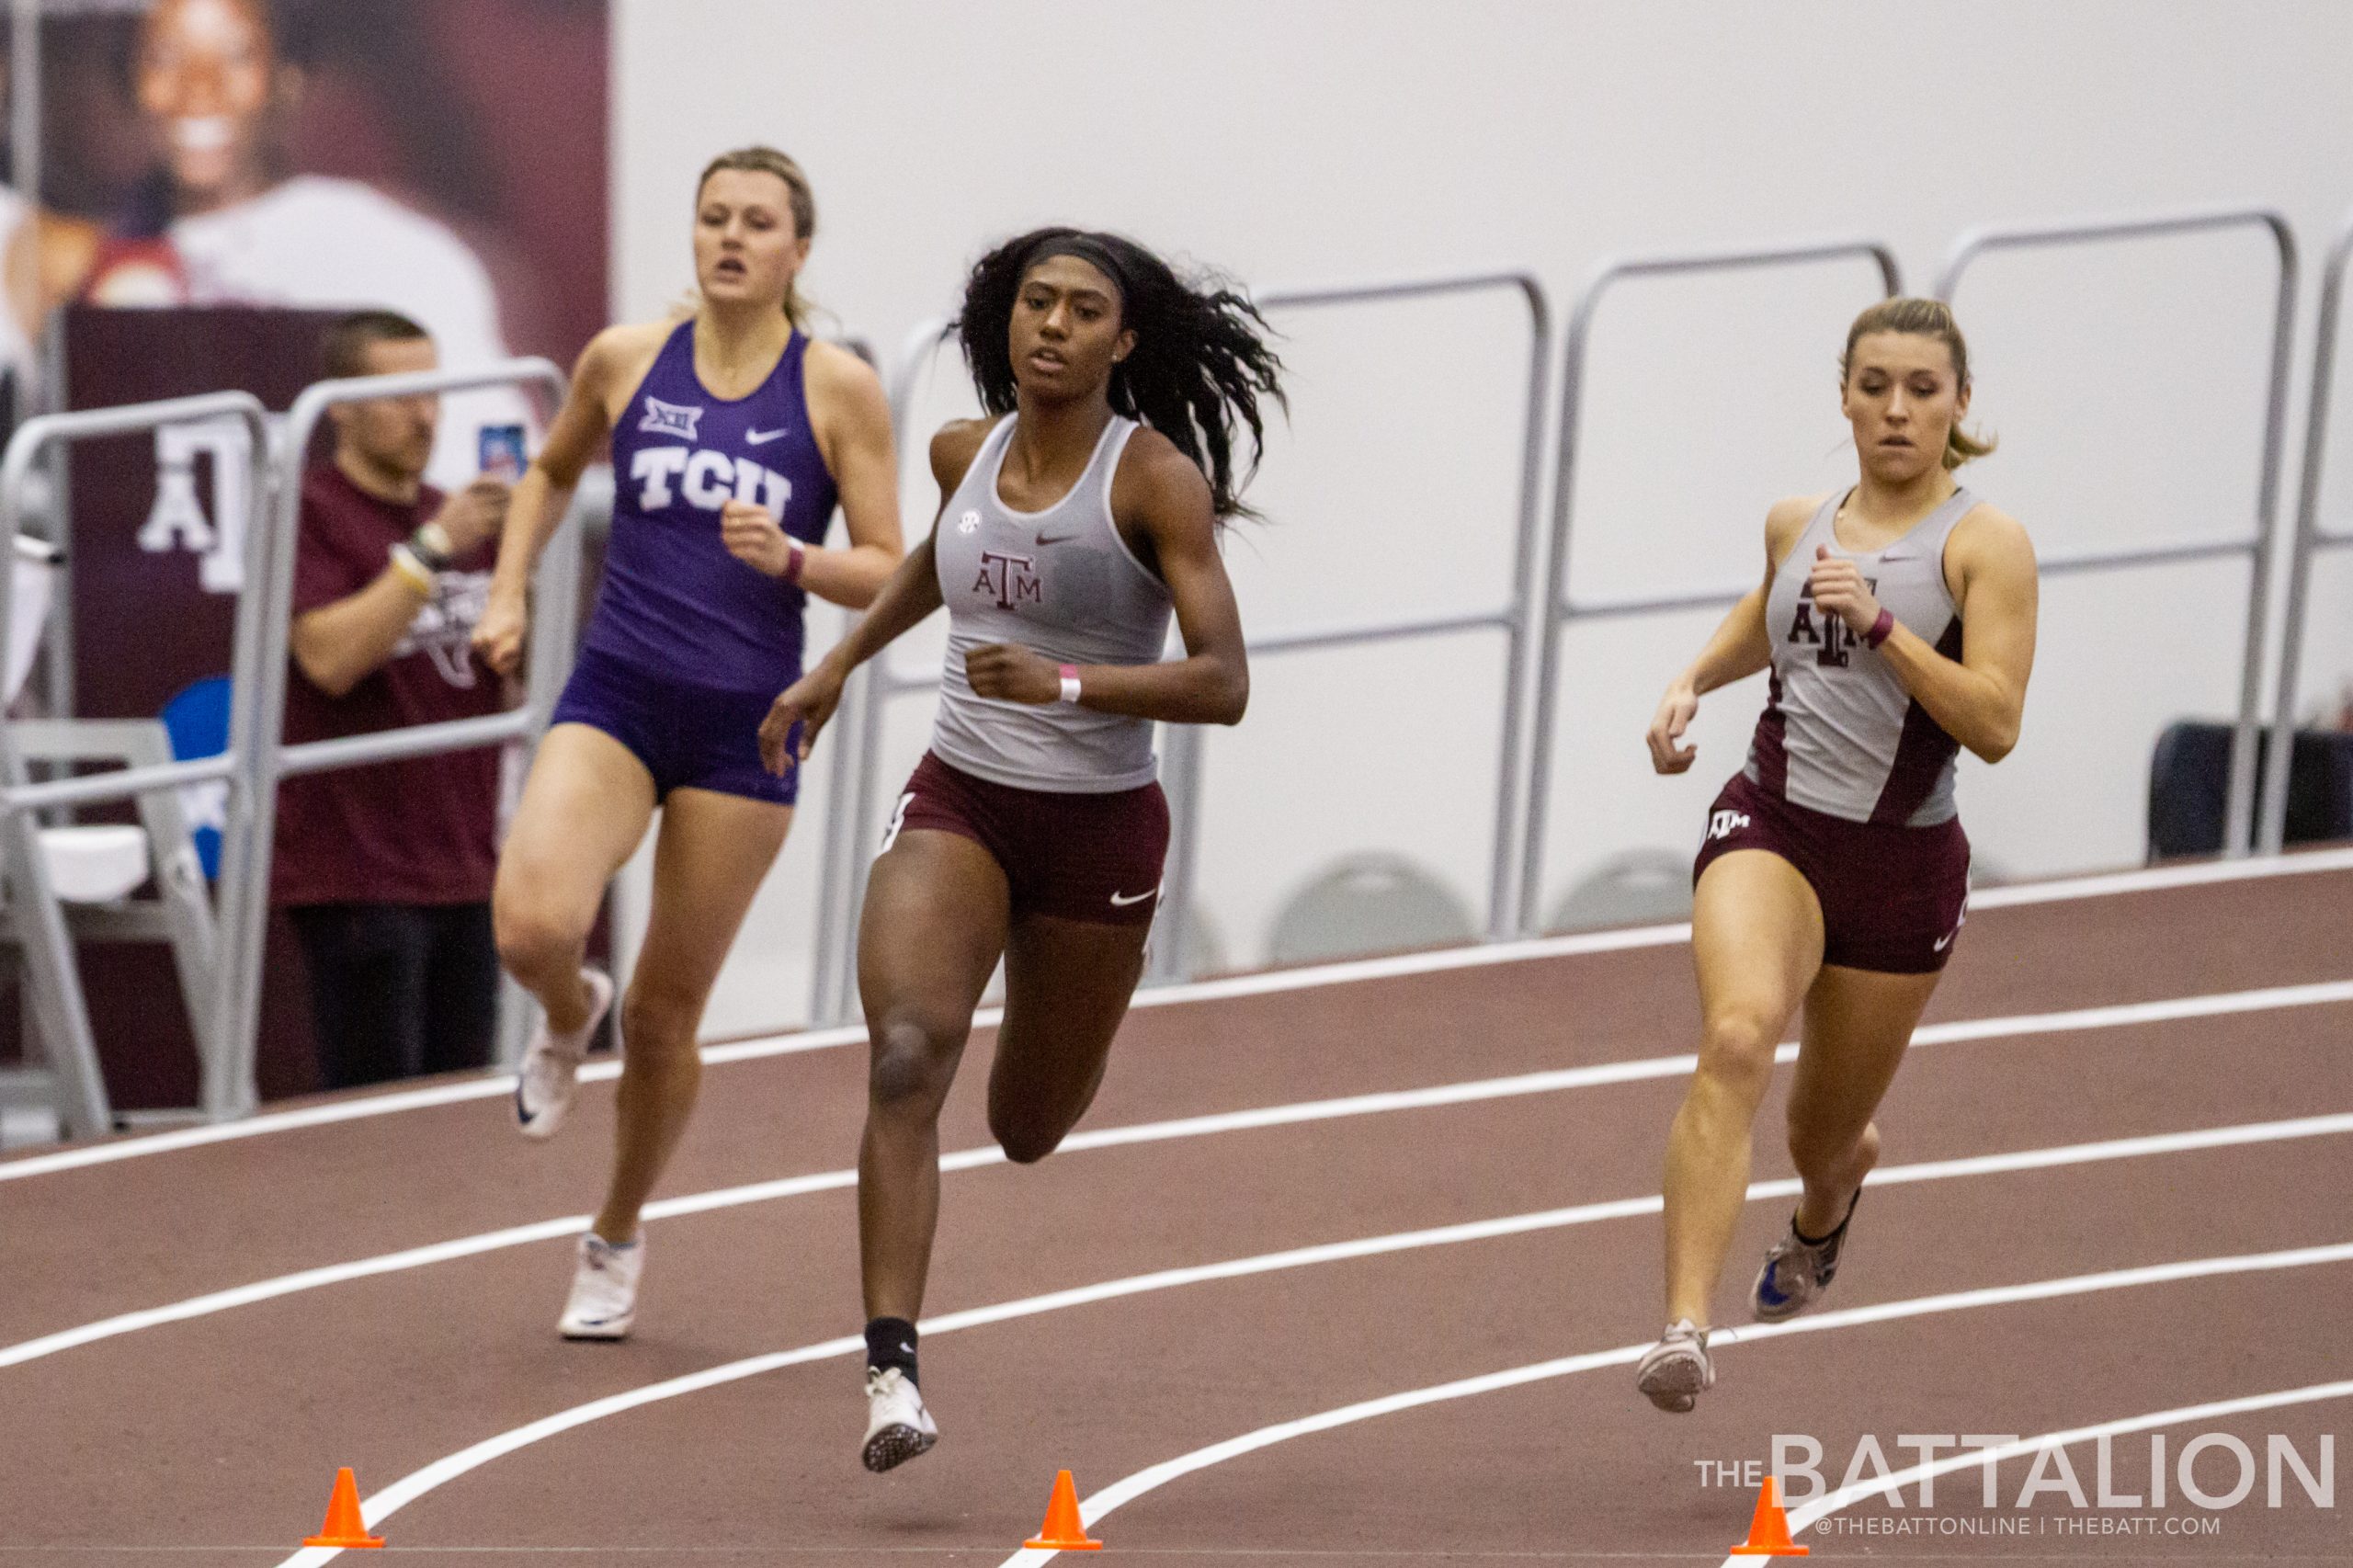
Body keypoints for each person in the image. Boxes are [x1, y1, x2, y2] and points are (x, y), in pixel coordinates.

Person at [760, 227, 1280, 1471]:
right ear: (1005, 320)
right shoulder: (965, 451)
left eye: (1083, 309)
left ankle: (1084, 1003)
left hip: (1099, 828)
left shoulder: (1153, 481)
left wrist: (1064, 681)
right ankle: (892, 1366)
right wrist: (835, 665)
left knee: (1028, 1125)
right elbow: (943, 570)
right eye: (1034, 303)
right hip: (964, 798)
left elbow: (1224, 684)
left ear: (1125, 336)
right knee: (901, 1055)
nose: (1052, 325)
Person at [472, 146, 901, 1341]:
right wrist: (510, 592)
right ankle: (566, 1011)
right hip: (617, 689)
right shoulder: (623, 358)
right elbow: (549, 473)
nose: (730, 236)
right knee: (531, 923)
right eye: (713, 216)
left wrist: (799, 560)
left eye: (757, 222)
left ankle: (613, 1231)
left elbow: (891, 564)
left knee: (666, 1016)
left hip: (745, 720)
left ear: (795, 251)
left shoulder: (838, 388)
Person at [1632, 297, 2038, 1412]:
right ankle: (1682, 1327)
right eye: (1874, 387)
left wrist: (1884, 627)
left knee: (1820, 1128)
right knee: (1734, 1033)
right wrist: (1688, 682)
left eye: (1921, 389)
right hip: (1774, 822)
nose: (1896, 410)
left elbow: (1995, 724)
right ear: (1844, 396)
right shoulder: (1795, 521)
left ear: (1959, 405)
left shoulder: (1981, 543)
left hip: (1901, 867)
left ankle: (1830, 1198)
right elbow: (1763, 609)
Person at [82, 0, 525, 487]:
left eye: (236, 55)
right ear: (129, 85)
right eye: (165, 58)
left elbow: (494, 467)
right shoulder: (85, 260)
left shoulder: (387, 248)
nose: (199, 87)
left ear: (285, 80)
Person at [274, 309, 513, 1089]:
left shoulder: (466, 515)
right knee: (374, 1129)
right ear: (339, 404)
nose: (426, 414)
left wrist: (523, 586)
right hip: (358, 869)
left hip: (469, 865)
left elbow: (530, 679)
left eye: (435, 390)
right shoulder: (307, 509)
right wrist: (432, 550)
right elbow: (329, 658)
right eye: (402, 393)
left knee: (460, 1121)